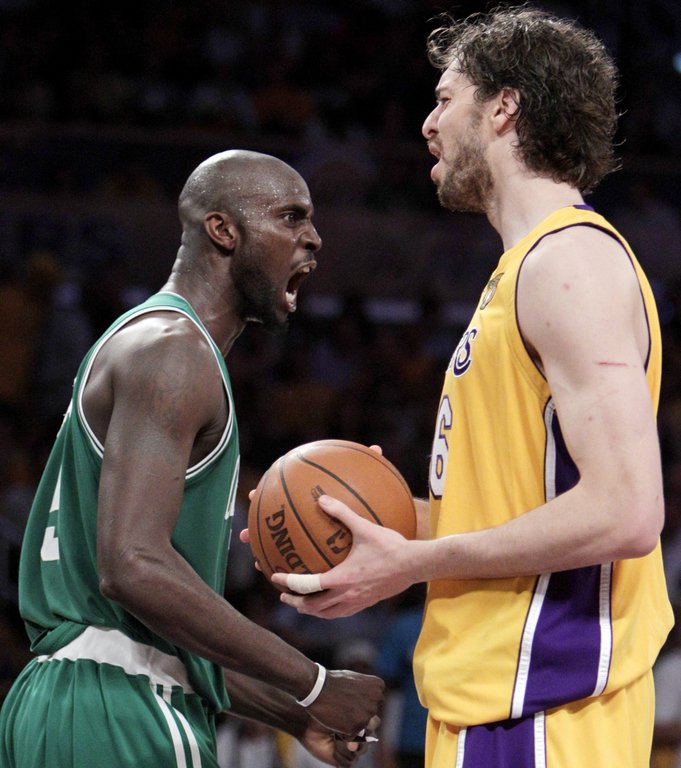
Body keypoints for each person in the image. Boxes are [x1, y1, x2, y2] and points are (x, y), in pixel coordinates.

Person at [264, 7, 674, 767]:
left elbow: (627, 510)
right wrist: (384, 520)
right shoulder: (524, 270)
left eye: (445, 99)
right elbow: (516, 514)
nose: (428, 125)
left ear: (504, 107)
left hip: (542, 708)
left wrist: (411, 564)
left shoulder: (569, 263)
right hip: (493, 704)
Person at [0, 149, 383, 768]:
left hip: (69, 699)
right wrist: (314, 681)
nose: (313, 237)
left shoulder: (151, 340)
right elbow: (132, 567)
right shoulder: (174, 353)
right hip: (123, 711)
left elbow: (147, 633)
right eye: (291, 216)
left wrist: (294, 713)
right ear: (223, 230)